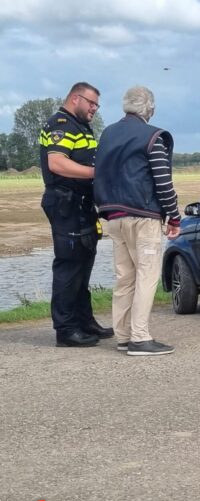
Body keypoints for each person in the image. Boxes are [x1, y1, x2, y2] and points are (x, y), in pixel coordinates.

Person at [94, 86, 180, 356]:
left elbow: (98, 172)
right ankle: (140, 338)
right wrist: (174, 216)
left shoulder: (107, 134)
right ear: (149, 108)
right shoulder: (152, 136)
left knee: (125, 277)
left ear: (125, 107)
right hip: (143, 216)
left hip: (113, 217)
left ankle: (122, 335)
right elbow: (162, 182)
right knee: (147, 275)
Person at [39, 81, 114, 347]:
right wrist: (98, 173)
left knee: (84, 262)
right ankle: (66, 329)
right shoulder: (61, 124)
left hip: (81, 204)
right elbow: (57, 163)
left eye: (97, 105)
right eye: (91, 103)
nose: (94, 108)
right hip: (65, 203)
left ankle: (84, 321)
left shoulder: (81, 125)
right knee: (69, 266)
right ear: (75, 99)